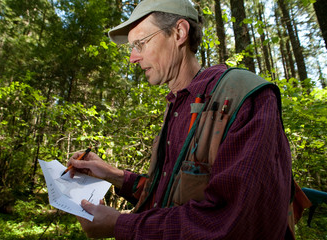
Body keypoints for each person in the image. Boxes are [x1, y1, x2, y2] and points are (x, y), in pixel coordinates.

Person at [68, 0, 293, 239]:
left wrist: (120, 225)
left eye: (141, 44)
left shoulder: (245, 98)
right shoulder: (177, 105)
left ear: (179, 33)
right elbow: (169, 193)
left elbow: (232, 221)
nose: (133, 58)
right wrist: (112, 174)